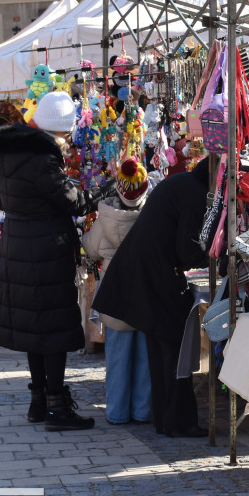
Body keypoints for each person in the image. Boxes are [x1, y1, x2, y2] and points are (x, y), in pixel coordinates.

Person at [0, 92, 113, 431]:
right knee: (53, 328)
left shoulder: (7, 152)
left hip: (16, 245)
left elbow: (0, 197)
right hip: (45, 249)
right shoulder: (42, 157)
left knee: (33, 327)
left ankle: (38, 401)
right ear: (60, 129)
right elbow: (73, 203)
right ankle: (57, 406)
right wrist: (103, 189)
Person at [92, 160, 211, 437]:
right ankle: (177, 422)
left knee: (163, 352)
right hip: (153, 277)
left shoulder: (182, 183)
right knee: (172, 350)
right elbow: (186, 251)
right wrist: (208, 252)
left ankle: (168, 420)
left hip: (145, 274)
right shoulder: (194, 193)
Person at [82, 157, 153, 426]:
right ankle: (143, 411)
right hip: (144, 292)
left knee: (117, 360)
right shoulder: (150, 217)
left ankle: (117, 412)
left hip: (115, 294)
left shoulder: (105, 219)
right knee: (145, 360)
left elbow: (90, 247)